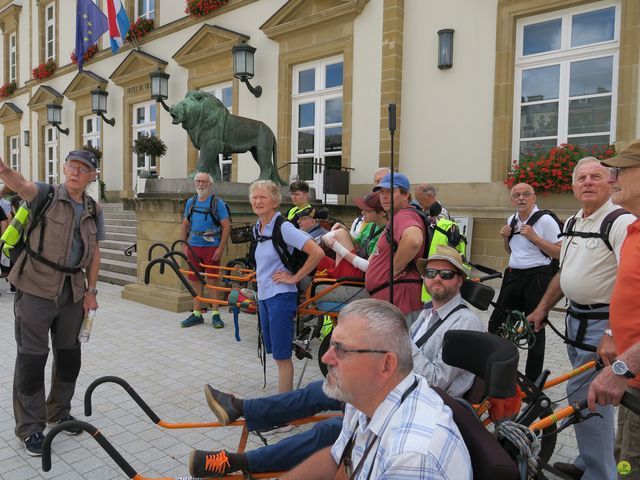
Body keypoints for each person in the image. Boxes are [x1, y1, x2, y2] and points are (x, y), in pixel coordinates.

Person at [187, 247, 481, 478]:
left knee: (327, 423)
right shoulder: (428, 312)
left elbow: (437, 380)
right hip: (398, 391)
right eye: (431, 272)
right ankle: (242, 413)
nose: (437, 279)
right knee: (324, 392)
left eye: (446, 274)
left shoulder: (465, 321)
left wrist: (400, 340)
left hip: (428, 398)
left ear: (460, 280)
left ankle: (239, 448)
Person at [528, 157, 635, 480]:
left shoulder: (620, 221)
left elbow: (631, 281)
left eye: (596, 176)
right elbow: (566, 272)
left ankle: (600, 474)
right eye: (582, 178)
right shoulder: (576, 220)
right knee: (584, 398)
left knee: (589, 399)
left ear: (611, 182)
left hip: (602, 328)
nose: (588, 182)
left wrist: (614, 333)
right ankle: (588, 462)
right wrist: (543, 307)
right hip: (576, 322)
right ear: (573, 186)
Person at [282, 299, 471, 479]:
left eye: (342, 349)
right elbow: (339, 461)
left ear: (386, 364)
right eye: (332, 345)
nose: (326, 359)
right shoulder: (363, 397)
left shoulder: (411, 456)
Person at [0, 150, 105, 457]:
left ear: (92, 176)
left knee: (70, 356)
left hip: (73, 291)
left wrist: (92, 291)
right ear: (64, 168)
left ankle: (58, 411)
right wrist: (5, 170)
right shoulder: (44, 194)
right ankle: (30, 427)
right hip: (35, 287)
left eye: (84, 169)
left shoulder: (93, 209)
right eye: (73, 166)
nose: (76, 172)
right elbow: (21, 185)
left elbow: (95, 252)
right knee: (32, 360)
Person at [588, 139, 640, 478]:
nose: (612, 177)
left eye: (620, 170)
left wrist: (623, 368)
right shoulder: (634, 228)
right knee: (624, 460)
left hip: (632, 374)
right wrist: (612, 332)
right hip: (633, 382)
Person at [250, 180, 324, 392]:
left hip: (280, 297)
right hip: (264, 297)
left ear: (275, 201)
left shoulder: (284, 226)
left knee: (283, 357)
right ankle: (284, 403)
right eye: (254, 197)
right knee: (277, 355)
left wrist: (294, 278)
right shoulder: (259, 227)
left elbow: (316, 252)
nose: (258, 201)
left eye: (263, 197)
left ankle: (286, 414)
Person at [488, 182, 562, 382]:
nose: (521, 198)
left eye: (525, 194)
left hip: (537, 278)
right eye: (517, 195)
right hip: (513, 276)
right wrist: (506, 238)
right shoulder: (512, 219)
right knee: (496, 324)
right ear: (512, 200)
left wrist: (535, 237)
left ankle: (532, 383)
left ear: (533, 198)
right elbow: (513, 251)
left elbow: (560, 252)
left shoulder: (545, 220)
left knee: (535, 330)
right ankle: (500, 374)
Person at [365, 173, 426, 315]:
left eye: (390, 191)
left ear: (405, 195)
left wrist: (394, 269)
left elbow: (413, 240)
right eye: (381, 192)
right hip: (392, 297)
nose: (384, 196)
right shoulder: (398, 217)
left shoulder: (404, 215)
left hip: (399, 297)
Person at [179, 172, 230, 329]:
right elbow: (185, 224)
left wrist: (220, 248)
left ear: (210, 184)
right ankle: (197, 313)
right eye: (198, 181)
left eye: (204, 182)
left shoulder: (217, 203)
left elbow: (226, 226)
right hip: (194, 246)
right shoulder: (191, 202)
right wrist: (184, 245)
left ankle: (215, 314)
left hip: (211, 247)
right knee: (195, 280)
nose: (201, 184)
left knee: (212, 281)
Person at [320, 192, 387, 278]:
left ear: (381, 214)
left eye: (367, 211)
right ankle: (316, 243)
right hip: (354, 267)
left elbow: (368, 267)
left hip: (360, 275)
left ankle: (318, 242)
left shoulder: (385, 235)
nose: (362, 213)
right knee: (340, 232)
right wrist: (345, 229)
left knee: (339, 234)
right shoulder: (371, 224)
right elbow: (356, 245)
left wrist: (338, 248)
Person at [349, 167, 390, 239]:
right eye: (378, 181)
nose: (381, 184)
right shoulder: (360, 221)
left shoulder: (397, 220)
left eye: (384, 181)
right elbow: (356, 243)